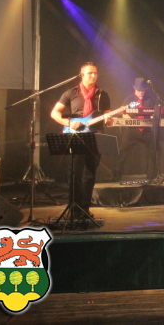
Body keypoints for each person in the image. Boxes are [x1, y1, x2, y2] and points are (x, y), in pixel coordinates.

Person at [50, 62, 113, 217]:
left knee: (90, 173)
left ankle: (85, 208)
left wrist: (109, 120)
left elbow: (108, 115)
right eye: (90, 73)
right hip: (76, 135)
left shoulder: (102, 94)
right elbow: (55, 113)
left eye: (96, 73)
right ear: (82, 75)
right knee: (74, 172)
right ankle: (74, 208)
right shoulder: (71, 92)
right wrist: (68, 123)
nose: (94, 75)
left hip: (95, 135)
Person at [114, 77, 156, 182]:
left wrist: (152, 118)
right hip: (132, 130)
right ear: (135, 89)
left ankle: (152, 176)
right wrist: (132, 122)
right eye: (139, 90)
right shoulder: (129, 99)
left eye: (143, 90)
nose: (141, 92)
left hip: (146, 130)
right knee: (123, 151)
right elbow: (123, 114)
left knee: (154, 150)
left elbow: (153, 114)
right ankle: (117, 175)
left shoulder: (150, 99)